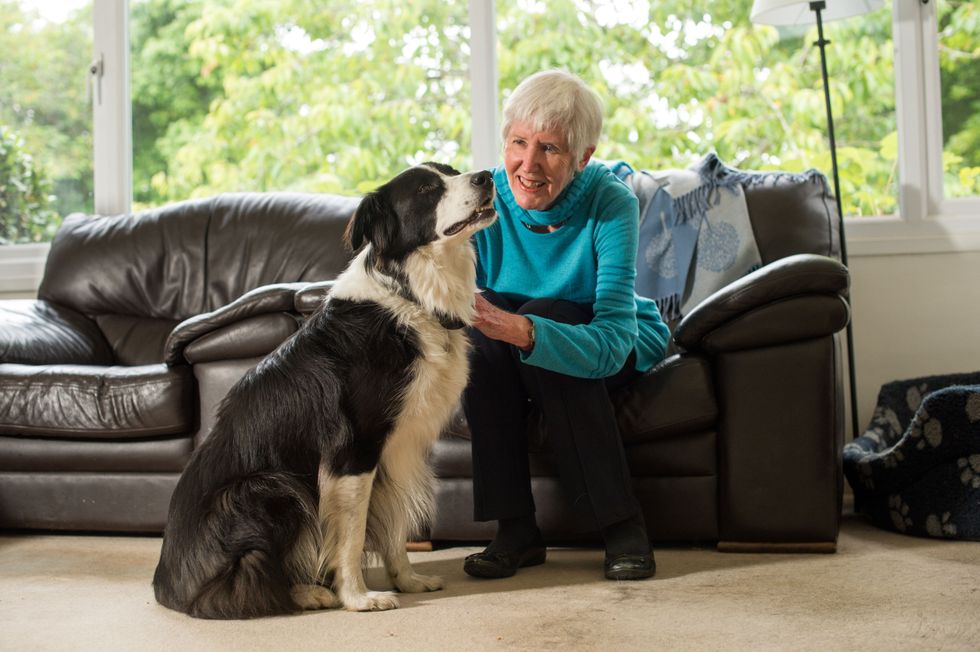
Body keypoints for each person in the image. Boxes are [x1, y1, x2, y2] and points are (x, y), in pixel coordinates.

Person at [462, 69, 671, 581]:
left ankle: (620, 524)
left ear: (583, 157)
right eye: (518, 142)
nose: (528, 164)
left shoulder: (611, 202)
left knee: (545, 315)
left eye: (550, 149)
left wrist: (527, 332)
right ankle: (515, 529)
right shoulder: (482, 200)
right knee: (477, 335)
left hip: (607, 337)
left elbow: (611, 342)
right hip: (512, 346)